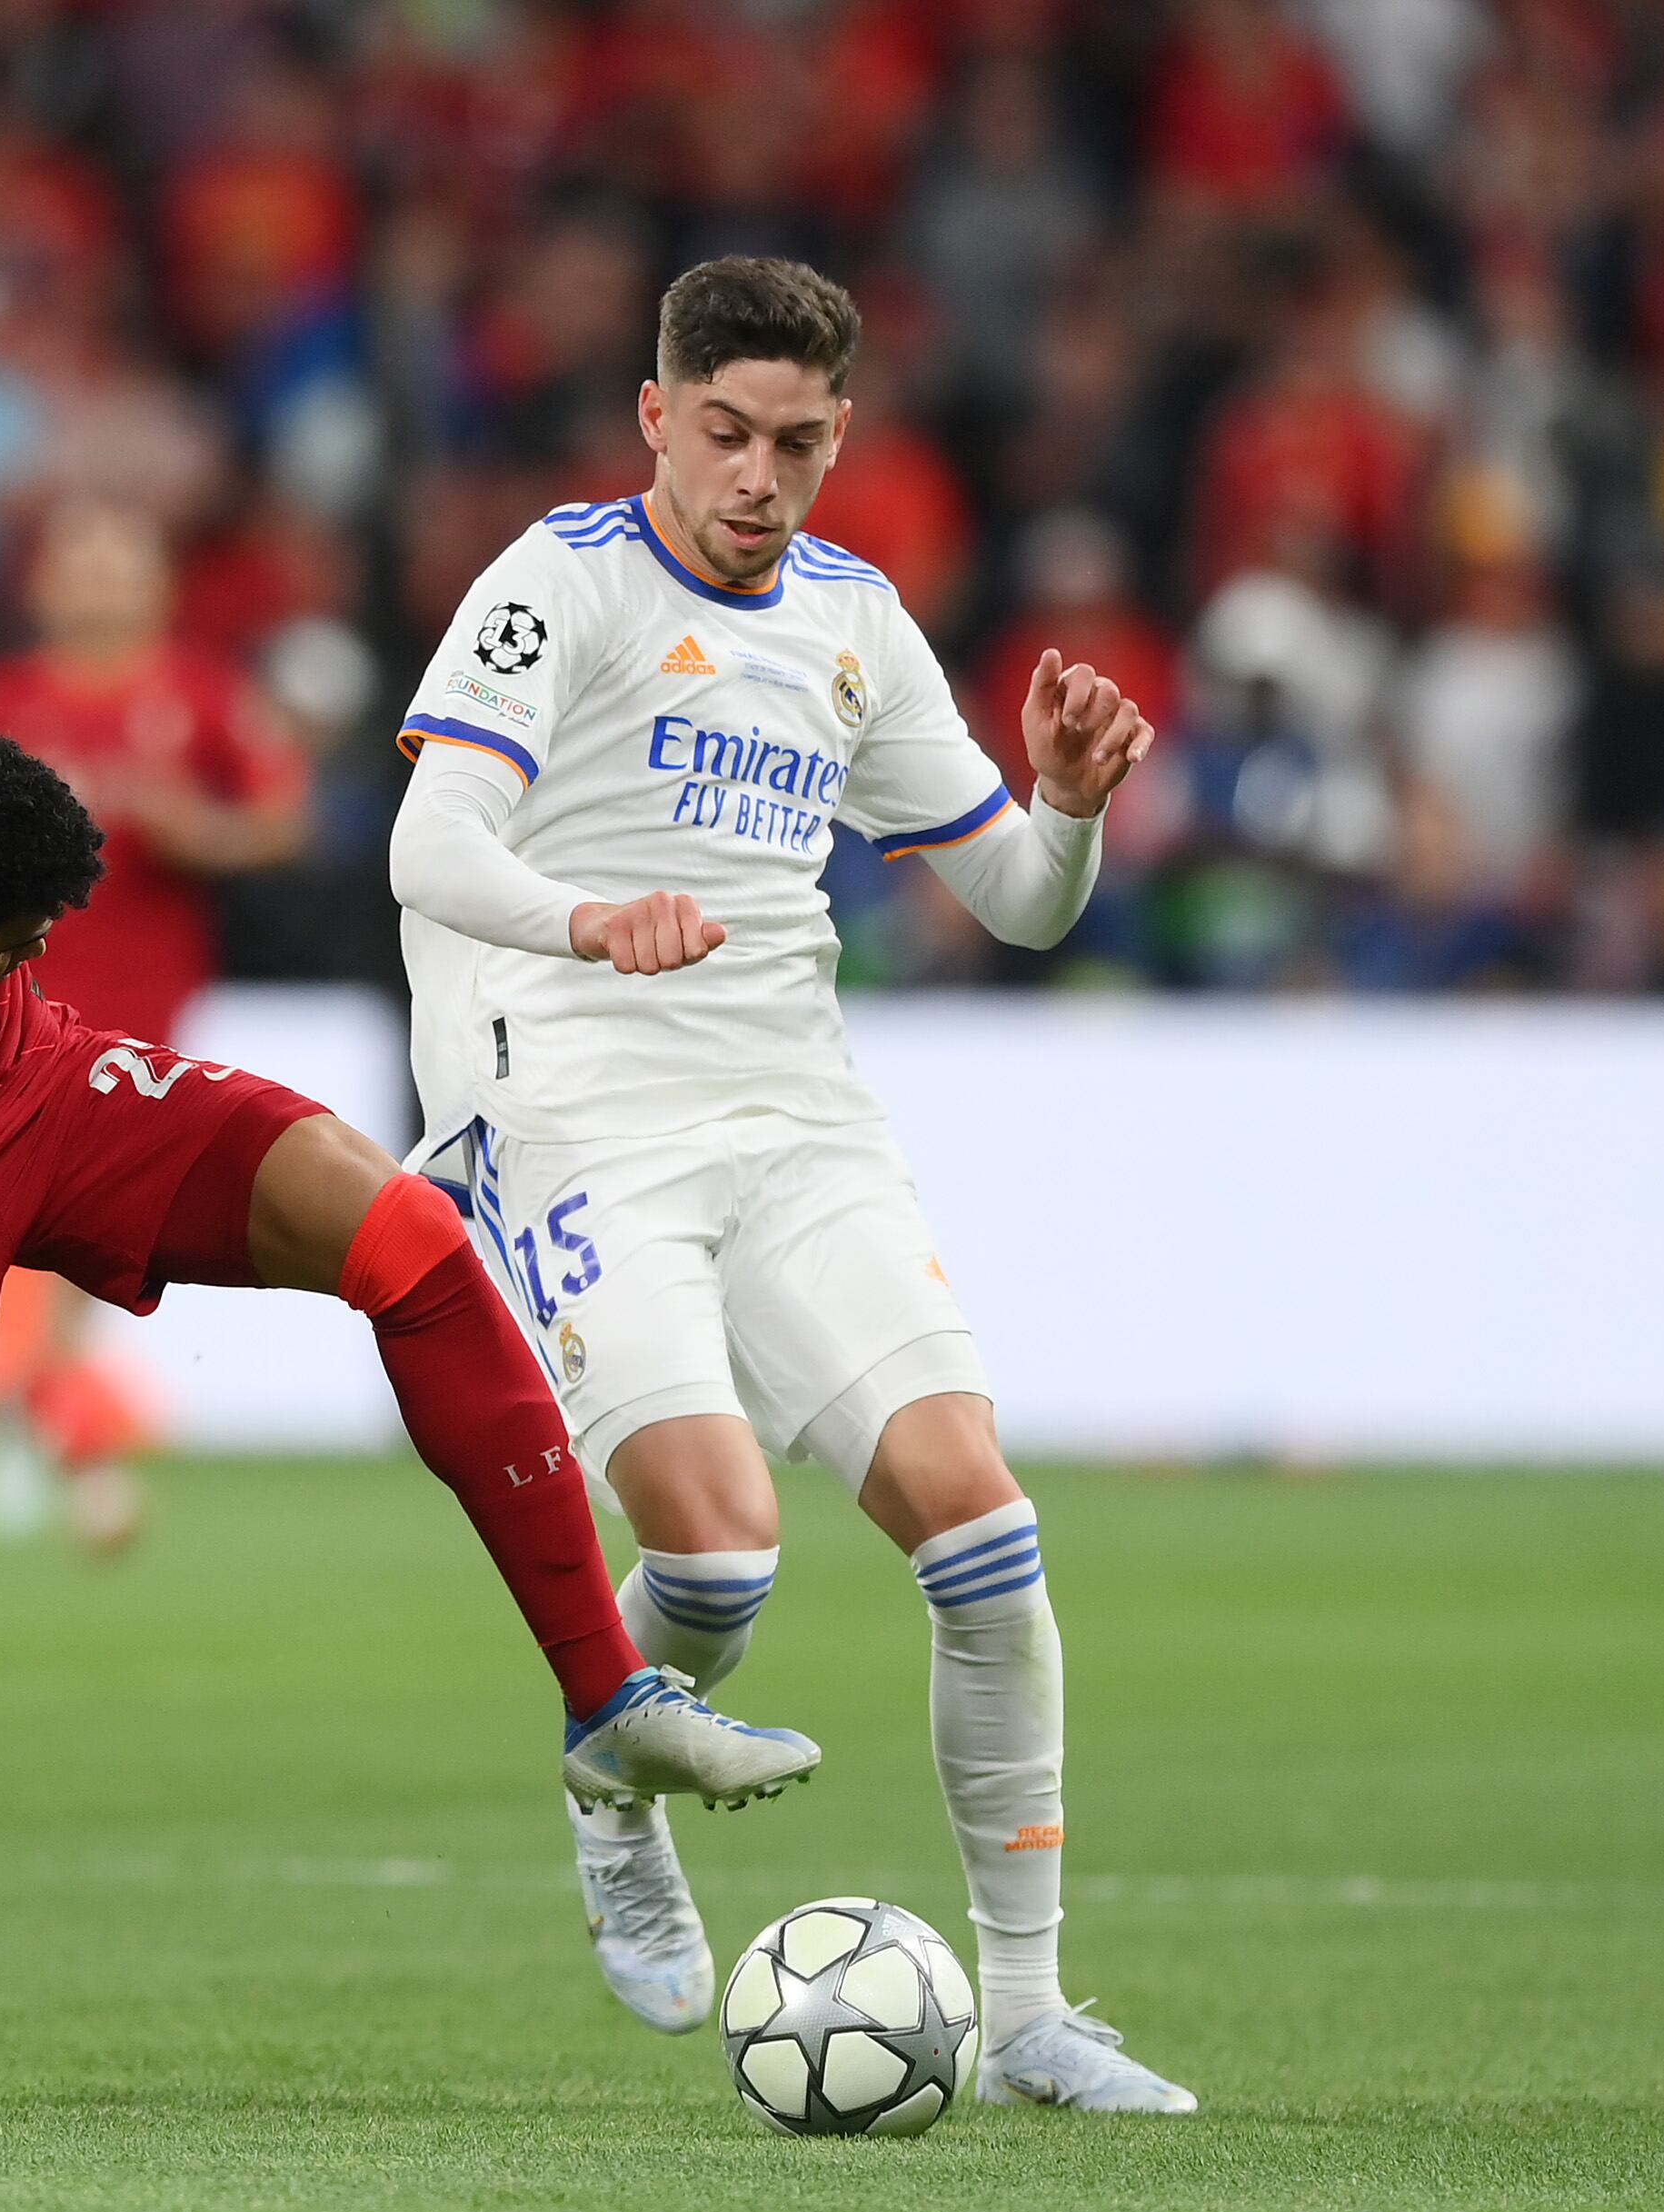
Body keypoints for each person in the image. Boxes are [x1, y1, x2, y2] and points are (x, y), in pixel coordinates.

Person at [0, 97, 819, 2117]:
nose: (26, 941)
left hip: (53, 1103)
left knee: (401, 1234)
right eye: (0, 936)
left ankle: (603, 1703)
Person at [389, 256, 1197, 2114]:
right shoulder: (560, 579)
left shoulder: (850, 619)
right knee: (718, 1548)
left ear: (842, 439)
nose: (758, 478)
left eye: (800, 444)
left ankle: (1026, 2018)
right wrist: (585, 916)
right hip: (573, 1105)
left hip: (793, 1109)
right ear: (655, 416)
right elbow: (426, 841)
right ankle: (611, 1785)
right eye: (728, 434)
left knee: (981, 1531)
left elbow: (1013, 901)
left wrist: (1065, 806)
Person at [0, 496, 312, 1549]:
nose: (101, 585)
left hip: (140, 1026)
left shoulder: (198, 694)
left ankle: (52, 1440)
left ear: (155, 583)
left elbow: (281, 819)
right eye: (82, 564)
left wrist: (191, 828)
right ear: (44, 585)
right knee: (46, 1239)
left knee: (70, 1238)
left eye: (121, 563)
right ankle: (54, 1441)